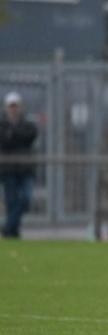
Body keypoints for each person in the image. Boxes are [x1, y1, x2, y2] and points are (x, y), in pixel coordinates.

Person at [0, 92, 38, 239]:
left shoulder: (28, 123)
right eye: (11, 106)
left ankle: (8, 227)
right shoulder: (3, 124)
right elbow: (5, 140)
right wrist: (15, 136)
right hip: (8, 169)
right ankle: (13, 232)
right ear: (6, 108)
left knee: (25, 199)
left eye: (16, 106)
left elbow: (30, 135)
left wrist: (13, 135)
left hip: (25, 168)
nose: (13, 109)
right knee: (11, 202)